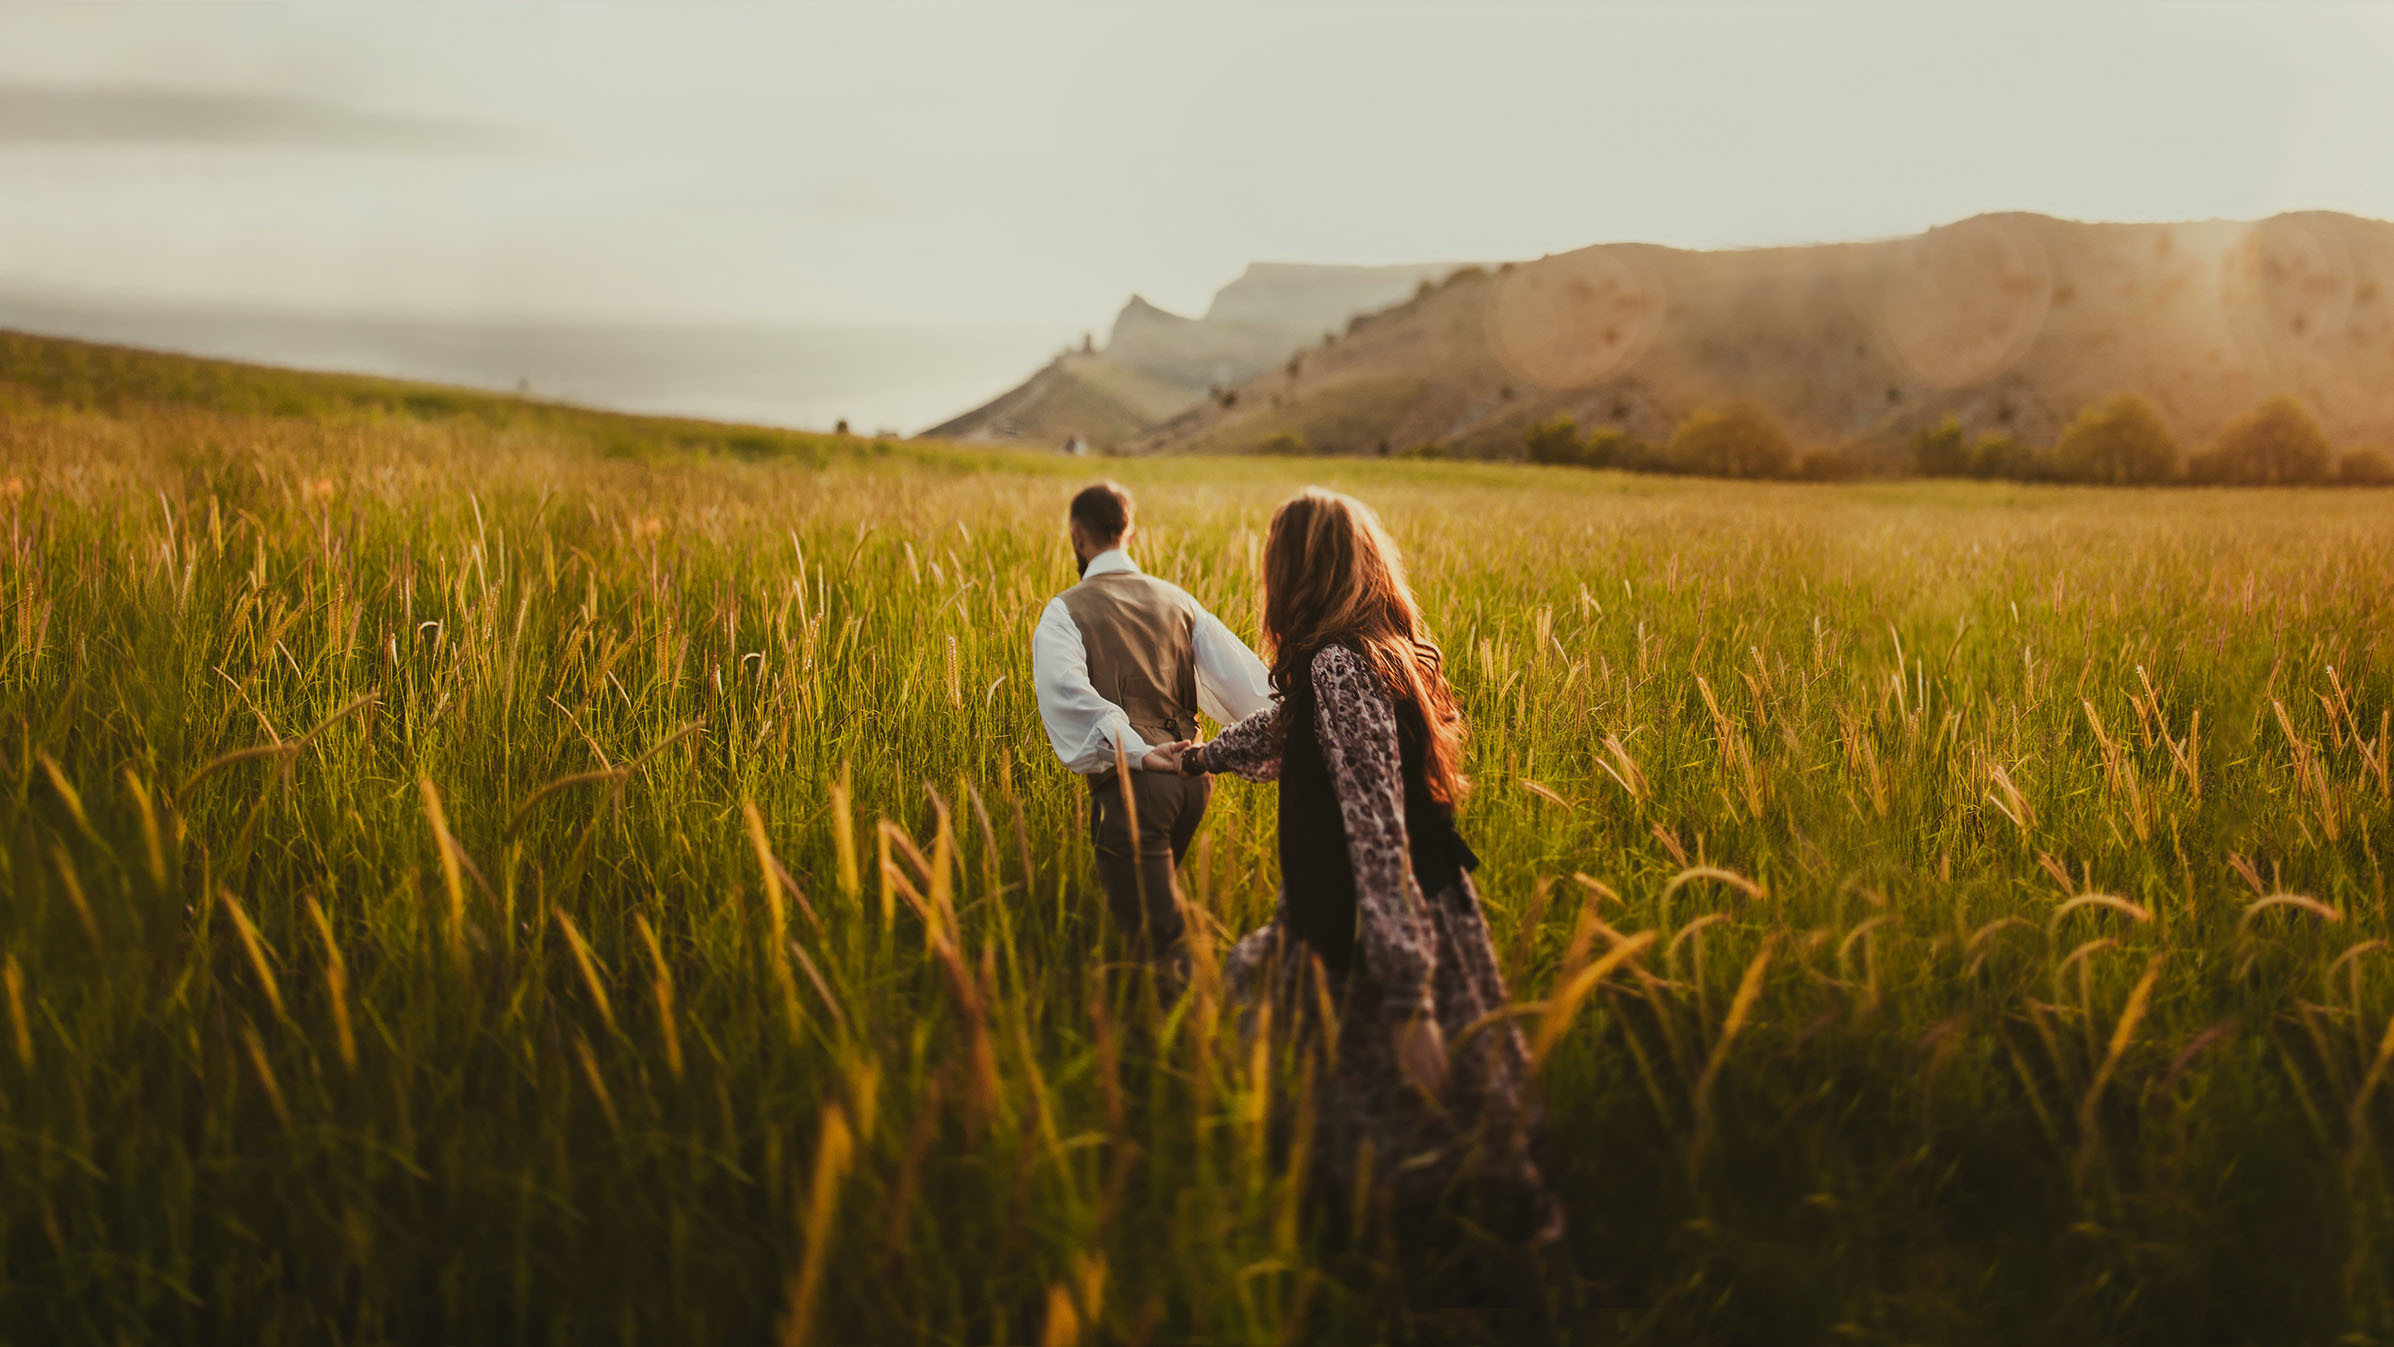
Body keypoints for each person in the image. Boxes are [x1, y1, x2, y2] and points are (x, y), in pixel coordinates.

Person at [1146, 486, 1562, 1317]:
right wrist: (1192, 759)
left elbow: (1376, 828)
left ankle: (1445, 1278)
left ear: (1298, 571)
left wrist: (1409, 994)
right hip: (1389, 907)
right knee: (1424, 1108)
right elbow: (1281, 731)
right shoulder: (1364, 655)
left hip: (1376, 923)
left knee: (1404, 1113)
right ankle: (1442, 1256)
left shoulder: (1339, 668)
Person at [1031, 480, 1274, 962]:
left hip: (1134, 787)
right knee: (1153, 920)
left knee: (1156, 945)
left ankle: (1203, 1004)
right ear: (1130, 532)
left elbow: (1069, 695)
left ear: (1077, 536)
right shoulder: (1179, 601)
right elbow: (1251, 690)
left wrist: (1141, 753)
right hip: (1193, 780)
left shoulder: (1064, 612)